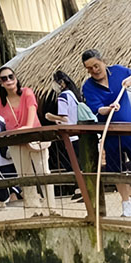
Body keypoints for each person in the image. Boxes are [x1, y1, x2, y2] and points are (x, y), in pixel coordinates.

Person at [81, 49, 131, 218]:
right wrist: (108, 109)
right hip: (110, 134)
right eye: (89, 68)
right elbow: (97, 109)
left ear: (103, 61)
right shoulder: (88, 86)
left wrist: (130, 80)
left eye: (96, 66)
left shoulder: (118, 71)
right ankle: (125, 203)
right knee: (116, 170)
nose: (94, 70)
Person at [0, 67, 55, 216]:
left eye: (11, 77)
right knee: (24, 175)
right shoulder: (0, 100)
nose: (8, 80)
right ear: (0, 82)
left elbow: (32, 111)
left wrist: (27, 127)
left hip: (34, 138)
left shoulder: (27, 92)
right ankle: (34, 209)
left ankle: (51, 207)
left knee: (43, 172)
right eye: (4, 78)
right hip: (15, 141)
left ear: (16, 78)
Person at [44, 70, 83, 199]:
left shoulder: (63, 97)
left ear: (61, 83)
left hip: (70, 135)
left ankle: (80, 188)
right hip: (79, 133)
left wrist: (50, 117)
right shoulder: (73, 95)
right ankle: (83, 188)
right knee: (80, 162)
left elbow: (64, 118)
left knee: (73, 163)